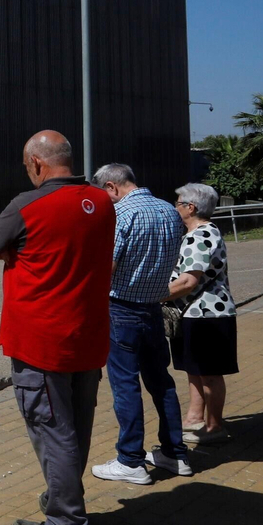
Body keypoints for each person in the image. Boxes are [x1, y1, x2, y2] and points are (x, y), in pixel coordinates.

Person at [0, 130, 114, 525]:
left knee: (53, 431)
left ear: (37, 163)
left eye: (26, 166)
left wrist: (26, 256)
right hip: (88, 337)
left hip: (42, 340)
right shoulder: (103, 201)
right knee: (75, 427)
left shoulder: (28, 203)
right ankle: (64, 501)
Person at [89, 163, 191, 486]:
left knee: (125, 385)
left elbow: (108, 265)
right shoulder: (169, 212)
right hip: (153, 308)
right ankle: (175, 453)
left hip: (121, 308)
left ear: (111, 187)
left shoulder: (122, 215)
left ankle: (130, 459)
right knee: (161, 381)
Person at [168, 183, 238, 445]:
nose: (175, 208)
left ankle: (214, 425)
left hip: (207, 315)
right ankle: (194, 418)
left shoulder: (201, 236)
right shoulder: (197, 233)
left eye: (178, 203)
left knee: (209, 373)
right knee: (194, 370)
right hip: (194, 314)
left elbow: (188, 281)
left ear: (191, 207)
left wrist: (152, 295)